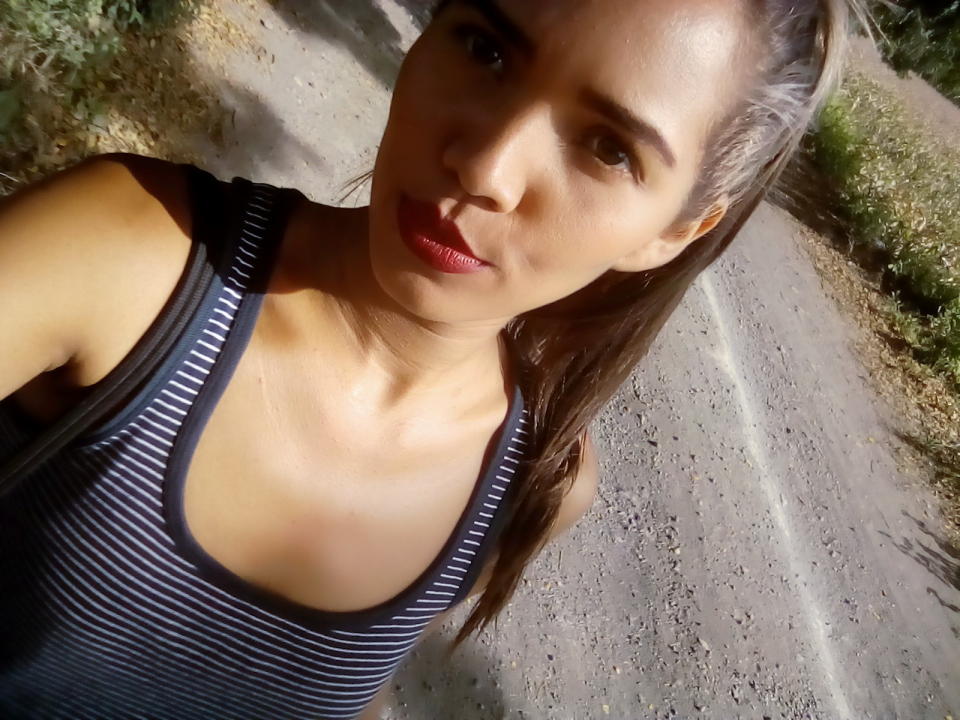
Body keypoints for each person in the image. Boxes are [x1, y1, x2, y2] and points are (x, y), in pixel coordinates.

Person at [0, 0, 864, 717]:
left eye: (608, 148)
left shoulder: (533, 484)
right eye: (486, 49)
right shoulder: (129, 262)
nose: (486, 167)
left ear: (676, 230)